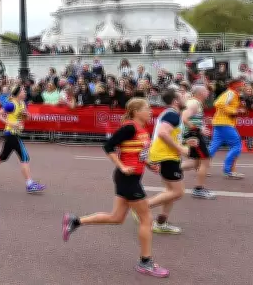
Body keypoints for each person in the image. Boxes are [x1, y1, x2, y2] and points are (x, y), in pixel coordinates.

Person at [62, 98, 170, 278]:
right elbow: (108, 146)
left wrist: (149, 165)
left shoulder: (143, 129)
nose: (151, 112)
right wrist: (121, 166)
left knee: (117, 217)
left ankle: (75, 221)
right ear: (136, 111)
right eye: (147, 108)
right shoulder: (130, 128)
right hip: (127, 179)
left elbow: (138, 153)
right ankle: (145, 262)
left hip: (131, 178)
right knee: (146, 219)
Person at [0, 86, 46, 193]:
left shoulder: (22, 104)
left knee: (3, 156)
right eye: (23, 91)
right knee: (25, 157)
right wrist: (11, 123)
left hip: (14, 134)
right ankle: (30, 184)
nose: (25, 92)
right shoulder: (11, 104)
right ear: (18, 93)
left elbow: (27, 118)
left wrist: (26, 114)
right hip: (12, 134)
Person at [138, 89, 189, 235]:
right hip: (167, 157)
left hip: (167, 156)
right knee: (178, 192)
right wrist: (180, 148)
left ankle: (161, 223)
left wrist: (183, 144)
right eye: (182, 96)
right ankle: (142, 207)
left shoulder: (170, 114)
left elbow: (169, 134)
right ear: (175, 101)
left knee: (170, 191)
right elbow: (162, 133)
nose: (186, 97)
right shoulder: (172, 115)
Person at [180, 84, 215, 199]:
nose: (208, 93)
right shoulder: (193, 103)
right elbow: (184, 118)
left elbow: (192, 118)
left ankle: (173, 169)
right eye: (206, 91)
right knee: (205, 160)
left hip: (194, 134)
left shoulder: (196, 103)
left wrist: (204, 122)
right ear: (200, 93)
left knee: (196, 163)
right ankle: (198, 190)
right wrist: (200, 130)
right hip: (194, 136)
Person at [208, 80, 246, 179]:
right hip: (225, 123)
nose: (244, 87)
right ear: (237, 86)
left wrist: (237, 110)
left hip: (219, 123)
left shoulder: (234, 94)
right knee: (236, 145)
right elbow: (218, 103)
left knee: (213, 146)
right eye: (242, 85)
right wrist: (234, 111)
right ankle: (228, 171)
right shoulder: (231, 93)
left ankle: (201, 166)